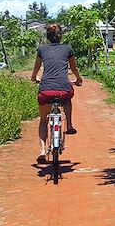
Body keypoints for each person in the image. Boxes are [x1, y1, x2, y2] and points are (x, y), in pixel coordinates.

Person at [31, 24, 83, 163]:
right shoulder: (67, 49)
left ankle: (42, 150)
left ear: (47, 37)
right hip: (63, 89)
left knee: (43, 120)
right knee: (67, 97)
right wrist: (78, 79)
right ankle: (70, 125)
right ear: (61, 36)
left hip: (45, 90)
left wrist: (34, 78)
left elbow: (36, 68)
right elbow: (74, 68)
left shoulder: (42, 49)